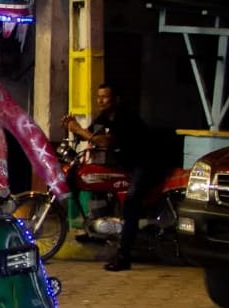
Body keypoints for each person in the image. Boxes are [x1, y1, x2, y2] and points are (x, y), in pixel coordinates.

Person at [62, 81, 162, 272]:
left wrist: (79, 130)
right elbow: (90, 134)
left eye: (105, 97)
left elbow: (106, 141)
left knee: (131, 201)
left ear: (116, 99)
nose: (100, 100)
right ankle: (95, 233)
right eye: (99, 97)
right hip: (126, 164)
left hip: (145, 163)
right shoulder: (104, 117)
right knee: (98, 181)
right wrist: (70, 125)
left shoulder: (125, 117)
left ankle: (124, 256)